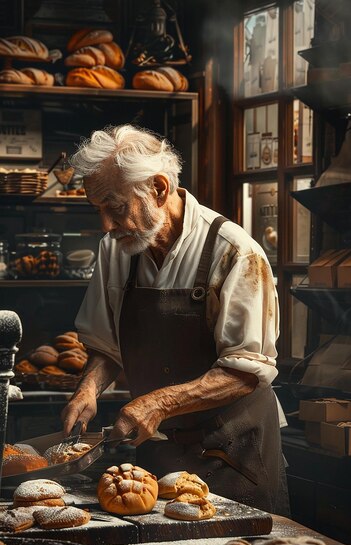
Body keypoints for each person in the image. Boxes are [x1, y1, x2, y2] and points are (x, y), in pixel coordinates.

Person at [62, 124, 290, 515]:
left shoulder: (235, 253)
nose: (106, 225)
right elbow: (107, 347)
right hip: (159, 459)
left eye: (114, 207)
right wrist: (88, 389)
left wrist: (159, 403)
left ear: (159, 189)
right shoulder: (116, 249)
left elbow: (245, 371)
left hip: (234, 455)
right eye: (98, 210)